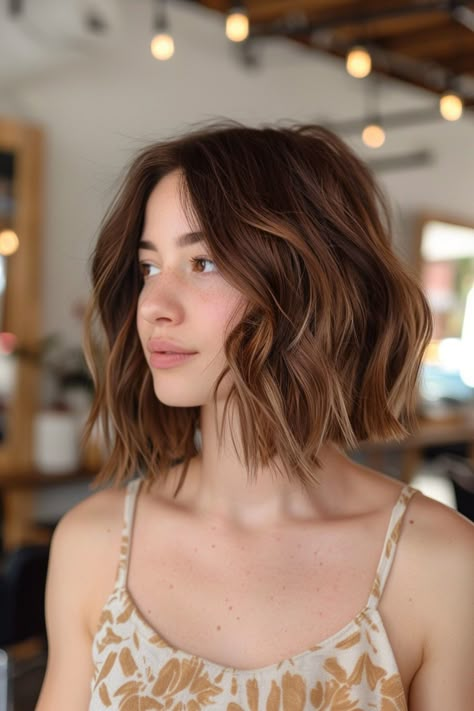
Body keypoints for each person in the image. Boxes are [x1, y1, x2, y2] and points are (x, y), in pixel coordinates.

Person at [36, 120, 473, 711]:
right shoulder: (93, 545)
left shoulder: (443, 566)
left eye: (204, 262)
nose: (154, 307)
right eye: (148, 268)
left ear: (306, 284)